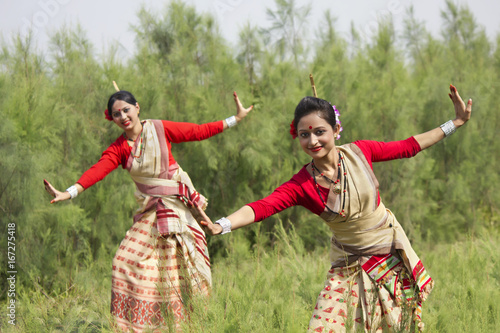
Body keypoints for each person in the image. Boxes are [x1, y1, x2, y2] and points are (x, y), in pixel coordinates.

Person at [195, 84, 471, 332]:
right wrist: (222, 224)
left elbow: (409, 146)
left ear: (336, 130)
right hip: (347, 267)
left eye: (319, 132)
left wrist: (455, 122)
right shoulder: (302, 185)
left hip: (389, 260)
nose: (312, 141)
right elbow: (262, 207)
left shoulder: (361, 152)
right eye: (304, 135)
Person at [44, 89, 253, 332]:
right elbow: (97, 171)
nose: (122, 116)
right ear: (111, 119)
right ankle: (134, 326)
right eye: (116, 114)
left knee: (177, 269)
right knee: (124, 262)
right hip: (152, 211)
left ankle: (185, 324)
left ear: (137, 108)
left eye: (126, 110)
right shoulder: (119, 148)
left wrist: (234, 119)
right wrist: (68, 192)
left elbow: (197, 131)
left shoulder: (159, 129)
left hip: (178, 208)